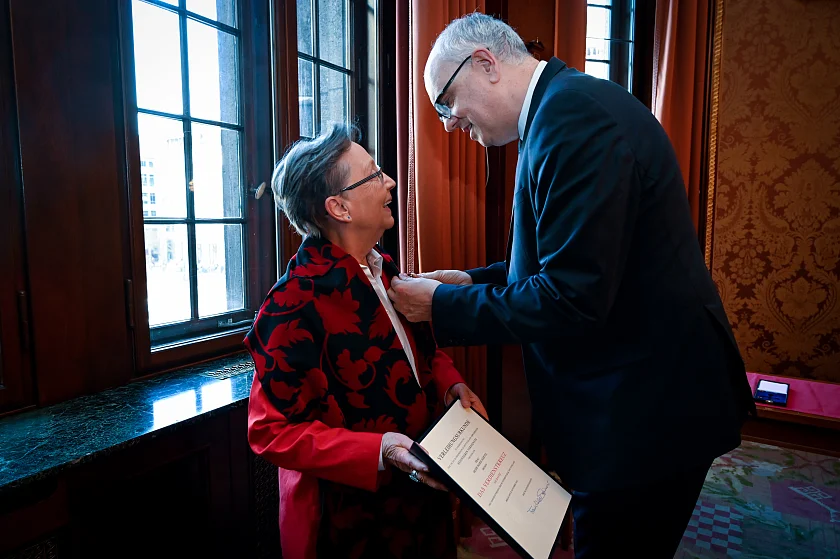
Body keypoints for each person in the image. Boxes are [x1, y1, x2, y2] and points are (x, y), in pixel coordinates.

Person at [387, 13, 756, 559]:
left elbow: (572, 296)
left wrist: (444, 306)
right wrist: (470, 279)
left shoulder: (574, 118)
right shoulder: (559, 110)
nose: (446, 123)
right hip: (637, 397)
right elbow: (565, 257)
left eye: (446, 101)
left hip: (645, 414)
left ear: (485, 64)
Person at [244, 124, 486, 559]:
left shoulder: (385, 269)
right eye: (373, 174)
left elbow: (417, 351)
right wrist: (378, 450)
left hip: (417, 494)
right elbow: (269, 432)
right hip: (345, 517)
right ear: (338, 207)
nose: (389, 181)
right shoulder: (291, 304)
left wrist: (450, 382)